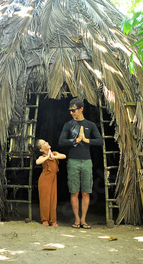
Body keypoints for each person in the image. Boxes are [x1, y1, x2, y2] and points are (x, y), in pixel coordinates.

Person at [59, 98, 103, 229]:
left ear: (81, 109)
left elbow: (100, 141)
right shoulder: (68, 125)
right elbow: (61, 141)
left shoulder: (90, 124)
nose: (72, 113)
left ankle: (83, 219)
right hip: (73, 161)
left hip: (87, 161)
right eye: (70, 111)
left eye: (74, 110)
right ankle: (76, 219)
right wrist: (76, 140)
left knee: (85, 192)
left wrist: (86, 140)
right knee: (74, 192)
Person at [34, 139, 66, 226]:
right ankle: (45, 220)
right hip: (45, 179)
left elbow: (63, 156)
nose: (47, 142)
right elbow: (37, 162)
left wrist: (53, 156)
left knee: (53, 199)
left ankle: (53, 220)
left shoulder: (54, 153)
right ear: (41, 149)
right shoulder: (43, 157)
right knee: (45, 200)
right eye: (44, 143)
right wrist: (47, 157)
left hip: (53, 179)